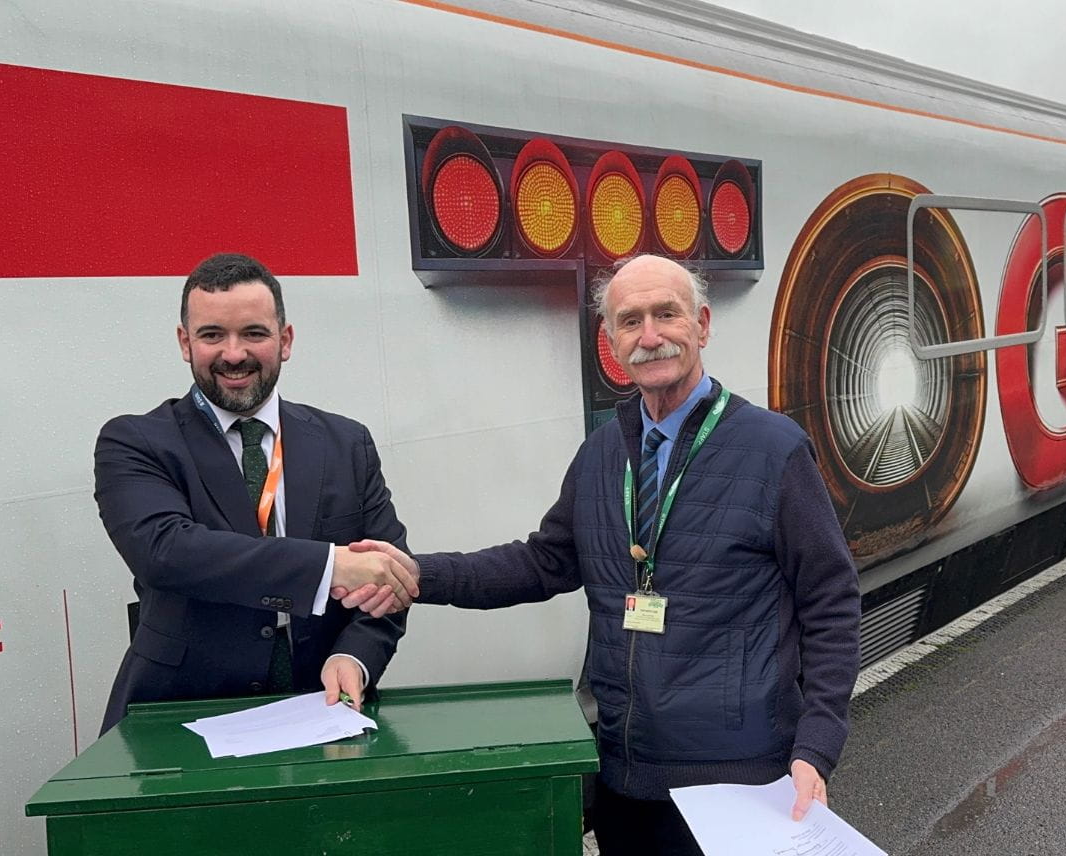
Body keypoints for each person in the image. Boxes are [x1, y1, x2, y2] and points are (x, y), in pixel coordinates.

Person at [343, 254, 861, 856]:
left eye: (666, 314)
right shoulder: (602, 453)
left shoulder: (774, 450)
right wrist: (416, 574)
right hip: (626, 776)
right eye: (629, 320)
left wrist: (816, 745)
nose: (650, 336)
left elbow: (830, 600)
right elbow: (541, 563)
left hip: (742, 779)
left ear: (703, 324)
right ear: (609, 339)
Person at [93, 253, 419, 733]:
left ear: (285, 341)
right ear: (185, 343)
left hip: (321, 712)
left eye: (253, 333)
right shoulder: (134, 442)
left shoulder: (346, 443)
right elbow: (166, 552)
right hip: (177, 719)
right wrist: (330, 566)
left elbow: (386, 579)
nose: (233, 354)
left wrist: (355, 655)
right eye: (211, 335)